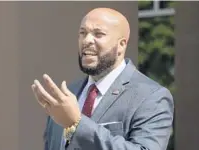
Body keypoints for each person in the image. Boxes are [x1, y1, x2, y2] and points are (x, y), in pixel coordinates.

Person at [31, 7, 174, 150]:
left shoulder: (152, 97)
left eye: (98, 34)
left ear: (121, 45)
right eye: (82, 33)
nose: (87, 40)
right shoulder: (68, 96)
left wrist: (76, 123)